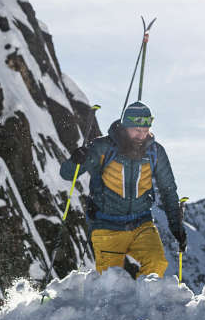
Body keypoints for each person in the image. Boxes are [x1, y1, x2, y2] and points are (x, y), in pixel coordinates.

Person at [61, 102, 187, 278]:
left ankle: (141, 301)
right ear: (125, 126)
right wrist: (76, 160)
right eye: (136, 130)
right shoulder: (103, 147)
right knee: (110, 284)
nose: (141, 135)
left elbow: (168, 190)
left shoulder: (155, 152)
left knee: (156, 265)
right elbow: (67, 174)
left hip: (141, 224)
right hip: (107, 226)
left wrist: (176, 225)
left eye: (145, 130)